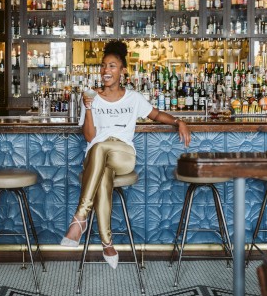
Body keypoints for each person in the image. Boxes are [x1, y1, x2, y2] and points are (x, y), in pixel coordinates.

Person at [60, 40, 191, 269]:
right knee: (102, 171)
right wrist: (89, 107)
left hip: (123, 154)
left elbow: (157, 114)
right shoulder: (91, 97)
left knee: (102, 150)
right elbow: (90, 137)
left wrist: (179, 121)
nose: (105, 71)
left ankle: (80, 218)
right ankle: (107, 242)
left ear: (122, 71)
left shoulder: (133, 97)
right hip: (96, 157)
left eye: (112, 66)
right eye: (103, 66)